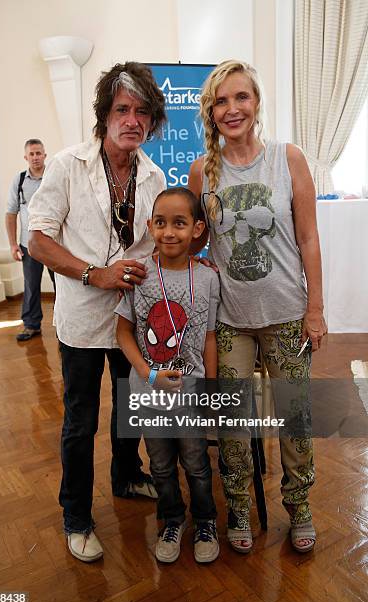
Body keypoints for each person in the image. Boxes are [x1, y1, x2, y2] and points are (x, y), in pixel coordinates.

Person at [28, 62, 167, 562]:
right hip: (83, 323)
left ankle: (127, 476)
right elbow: (38, 239)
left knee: (130, 409)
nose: (132, 120)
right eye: (122, 109)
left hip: (131, 322)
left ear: (152, 121)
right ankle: (77, 516)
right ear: (103, 115)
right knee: (80, 421)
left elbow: (154, 246)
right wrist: (95, 274)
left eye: (142, 112)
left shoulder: (154, 176)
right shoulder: (67, 165)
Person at [188, 59, 327, 554]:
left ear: (256, 103)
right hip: (231, 320)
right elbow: (195, 241)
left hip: (288, 313)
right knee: (232, 420)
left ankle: (300, 504)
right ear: (211, 111)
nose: (232, 109)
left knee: (294, 418)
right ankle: (240, 506)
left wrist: (316, 308)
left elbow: (308, 238)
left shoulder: (288, 158)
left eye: (240, 97)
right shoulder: (202, 169)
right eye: (221, 101)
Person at [116, 187, 220, 563]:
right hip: (147, 390)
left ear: (197, 229)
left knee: (195, 461)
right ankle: (172, 520)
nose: (169, 232)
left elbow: (209, 337)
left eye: (180, 223)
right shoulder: (139, 274)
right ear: (149, 226)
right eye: (160, 223)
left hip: (190, 390)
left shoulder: (208, 278)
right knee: (160, 464)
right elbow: (123, 332)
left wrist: (209, 387)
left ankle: (205, 520)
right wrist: (148, 374)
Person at [5, 139, 55, 341]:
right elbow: (11, 213)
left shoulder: (53, 177)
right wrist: (13, 244)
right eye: (31, 154)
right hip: (29, 245)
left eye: (38, 153)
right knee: (31, 286)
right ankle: (31, 325)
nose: (35, 157)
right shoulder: (18, 181)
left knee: (62, 286)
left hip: (54, 244)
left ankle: (64, 327)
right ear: (26, 157)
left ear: (45, 155)